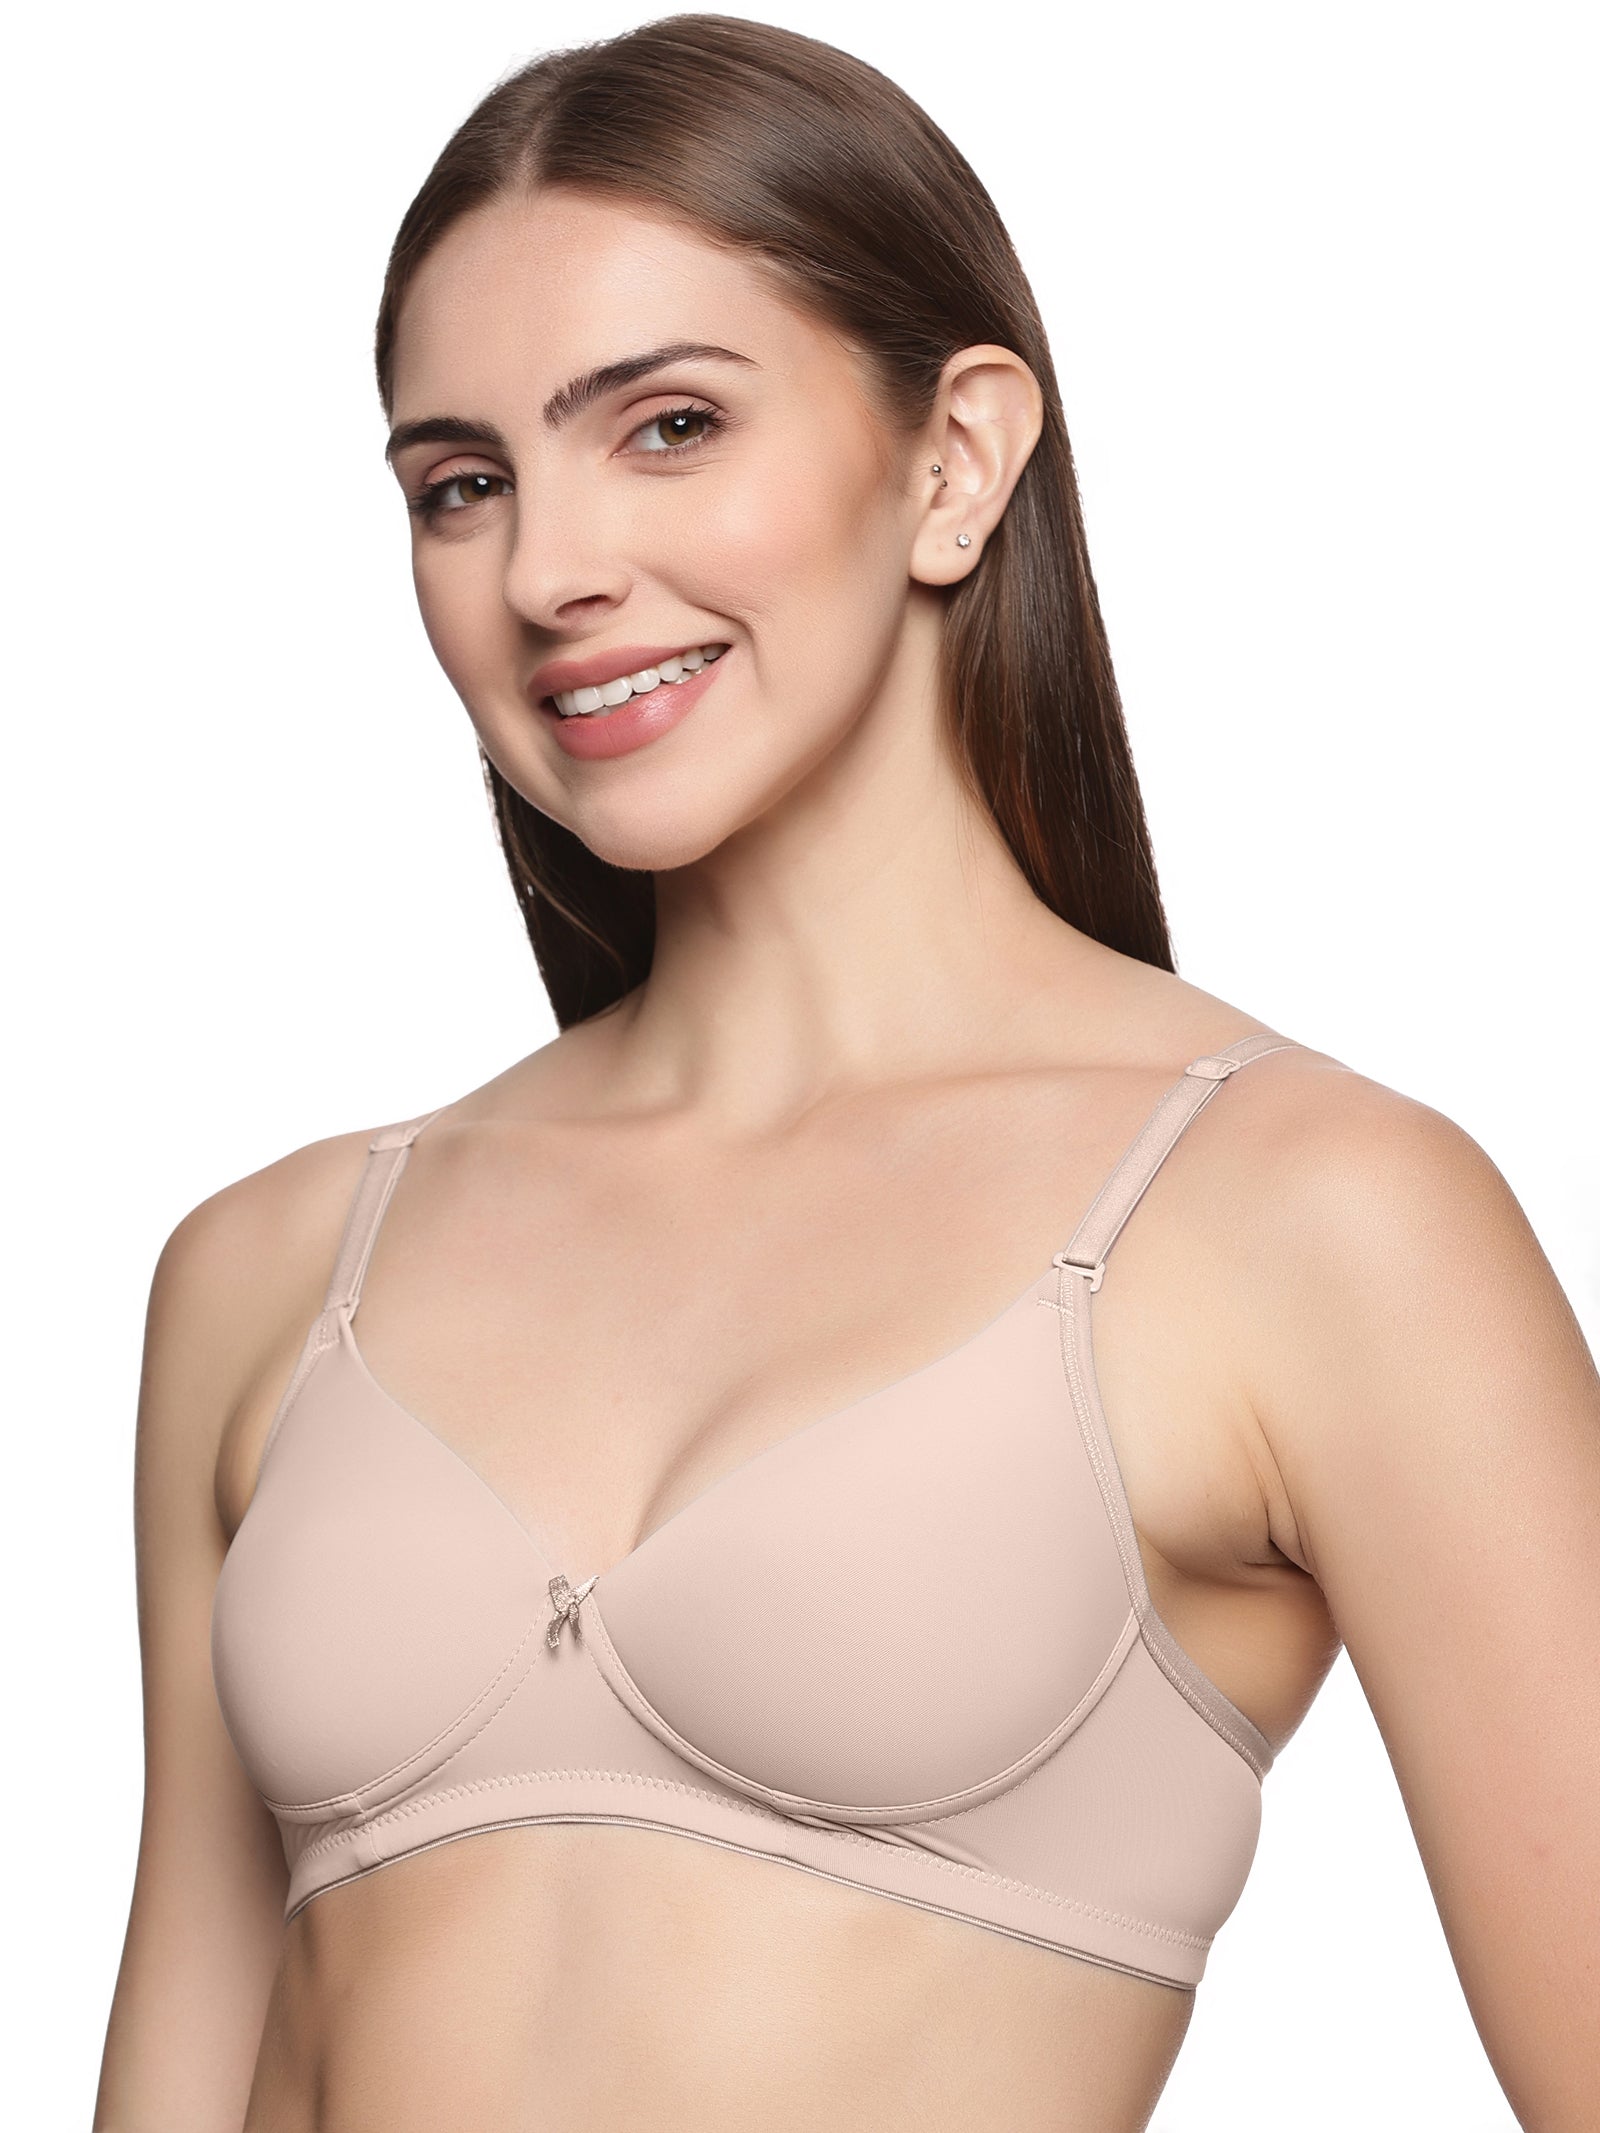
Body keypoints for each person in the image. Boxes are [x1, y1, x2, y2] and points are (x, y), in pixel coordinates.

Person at [93, 14, 1599, 2130]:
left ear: (953, 460)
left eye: (671, 425)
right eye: (462, 484)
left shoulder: (1305, 1217)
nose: (547, 571)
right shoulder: (266, 1267)